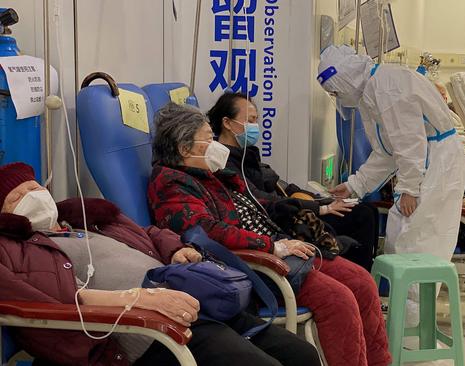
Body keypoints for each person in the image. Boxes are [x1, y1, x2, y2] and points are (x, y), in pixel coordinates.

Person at [0, 162, 320, 366]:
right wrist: (137, 299)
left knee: (302, 355)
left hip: (193, 300)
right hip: (147, 331)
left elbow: (150, 232)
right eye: (19, 197)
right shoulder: (14, 250)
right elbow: (33, 300)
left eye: (36, 187)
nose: (35, 196)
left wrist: (174, 250)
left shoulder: (88, 221)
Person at [147, 103, 391, 366]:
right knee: (338, 300)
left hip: (279, 247)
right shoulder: (171, 183)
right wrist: (274, 247)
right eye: (208, 138)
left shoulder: (212, 174)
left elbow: (258, 203)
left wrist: (308, 208)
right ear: (184, 149)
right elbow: (206, 232)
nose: (215, 144)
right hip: (253, 265)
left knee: (362, 281)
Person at [317, 45, 465, 284]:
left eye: (335, 91)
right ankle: (403, 312)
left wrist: (410, 188)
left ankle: (414, 317)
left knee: (418, 243)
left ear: (344, 78)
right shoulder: (373, 90)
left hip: (436, 164)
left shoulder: (388, 88)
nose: (337, 97)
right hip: (424, 163)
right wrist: (355, 185)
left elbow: (409, 143)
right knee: (402, 239)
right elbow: (387, 152)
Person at [206, 92, 379, 271]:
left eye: (256, 120)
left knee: (369, 209)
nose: (254, 126)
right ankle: (359, 278)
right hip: (280, 217)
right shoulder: (222, 163)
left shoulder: (248, 155)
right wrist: (321, 208)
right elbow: (259, 198)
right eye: (250, 120)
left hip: (289, 206)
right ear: (227, 123)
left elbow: (281, 186)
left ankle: (369, 276)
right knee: (361, 216)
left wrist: (323, 198)